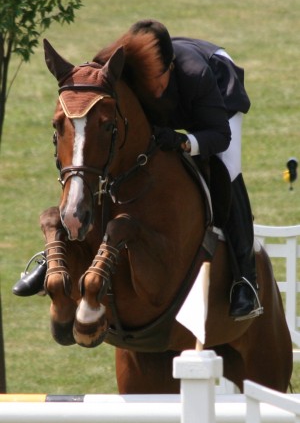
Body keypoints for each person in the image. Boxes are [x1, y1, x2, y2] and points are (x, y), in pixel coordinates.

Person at [12, 19, 263, 321]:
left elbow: (220, 135)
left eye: (160, 78)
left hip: (216, 99)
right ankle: (56, 253)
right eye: (150, 80)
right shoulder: (122, 68)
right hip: (175, 103)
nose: (155, 88)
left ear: (171, 67)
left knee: (227, 167)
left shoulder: (196, 76)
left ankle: (245, 279)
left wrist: (184, 141)